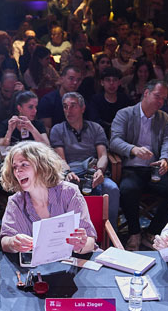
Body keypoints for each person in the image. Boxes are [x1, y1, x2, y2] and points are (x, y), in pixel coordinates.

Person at [110, 79, 168, 250]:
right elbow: (114, 141)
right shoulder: (125, 114)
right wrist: (133, 149)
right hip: (132, 168)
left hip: (155, 169)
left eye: (163, 99)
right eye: (157, 96)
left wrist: (165, 159)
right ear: (146, 93)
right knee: (128, 189)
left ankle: (152, 232)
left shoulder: (164, 117)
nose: (160, 101)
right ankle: (134, 233)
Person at [0, 142, 97, 255]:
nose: (17, 171)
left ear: (42, 166)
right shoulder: (15, 201)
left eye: (24, 164)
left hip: (72, 260)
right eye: (14, 167)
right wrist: (12, 242)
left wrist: (80, 246)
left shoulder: (69, 192)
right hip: (33, 264)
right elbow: (5, 241)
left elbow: (90, 241)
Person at [49, 92, 120, 230]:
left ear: (82, 108)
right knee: (62, 189)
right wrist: (67, 172)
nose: (68, 110)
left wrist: (100, 171)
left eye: (73, 106)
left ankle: (109, 233)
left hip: (93, 170)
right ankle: (68, 232)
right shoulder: (57, 129)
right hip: (70, 172)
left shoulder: (95, 128)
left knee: (112, 188)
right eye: (65, 107)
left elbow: (103, 155)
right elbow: (60, 159)